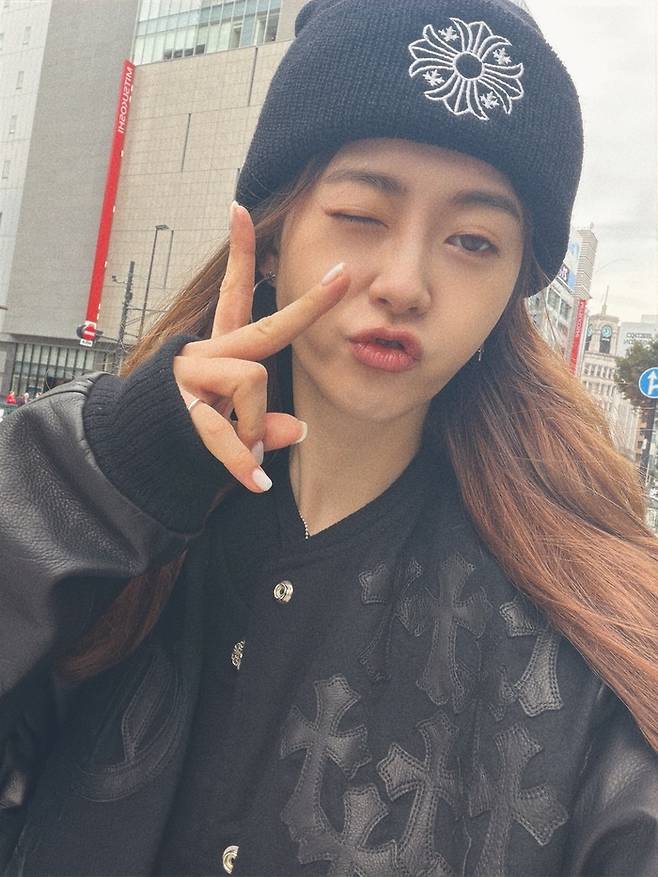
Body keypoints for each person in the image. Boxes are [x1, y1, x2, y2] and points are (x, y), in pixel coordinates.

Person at [1, 1, 657, 874]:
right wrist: (112, 471)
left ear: (513, 290)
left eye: (473, 240)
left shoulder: (584, 635)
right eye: (360, 213)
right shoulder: (115, 516)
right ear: (273, 239)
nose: (406, 282)